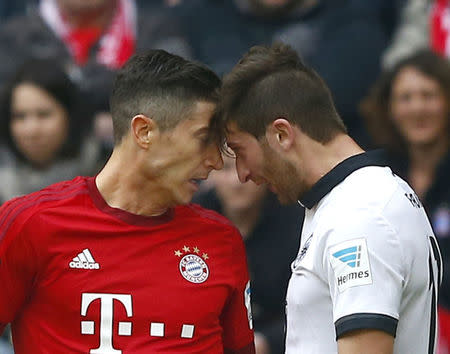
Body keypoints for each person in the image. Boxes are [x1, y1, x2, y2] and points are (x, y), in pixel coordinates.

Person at [0, 50, 255, 353]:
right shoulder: (30, 224)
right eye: (202, 138)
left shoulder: (221, 241)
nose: (215, 161)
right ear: (144, 132)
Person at [213, 42, 442, 353]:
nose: (242, 173)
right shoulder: (353, 199)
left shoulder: (360, 213)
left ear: (281, 135)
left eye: (239, 151)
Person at [360, 50, 450, 351]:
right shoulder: (378, 174)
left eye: (428, 95)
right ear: (390, 108)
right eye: (406, 98)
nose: (418, 108)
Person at [193, 155, 303, 354]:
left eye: (245, 170)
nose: (236, 182)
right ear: (209, 174)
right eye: (225, 169)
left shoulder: (295, 221)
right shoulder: (193, 219)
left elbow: (309, 306)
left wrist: (267, 341)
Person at [0, 58, 102, 204]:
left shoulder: (104, 177)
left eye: (44, 114)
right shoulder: (4, 181)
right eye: (19, 116)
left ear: (70, 116)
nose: (31, 130)